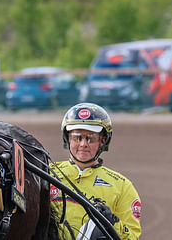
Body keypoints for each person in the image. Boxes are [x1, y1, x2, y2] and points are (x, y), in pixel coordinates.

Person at [50, 103, 141, 240]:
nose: (83, 144)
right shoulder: (47, 173)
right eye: (77, 137)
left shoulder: (122, 186)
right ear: (67, 139)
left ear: (103, 141)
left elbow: (133, 236)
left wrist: (112, 222)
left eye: (91, 138)